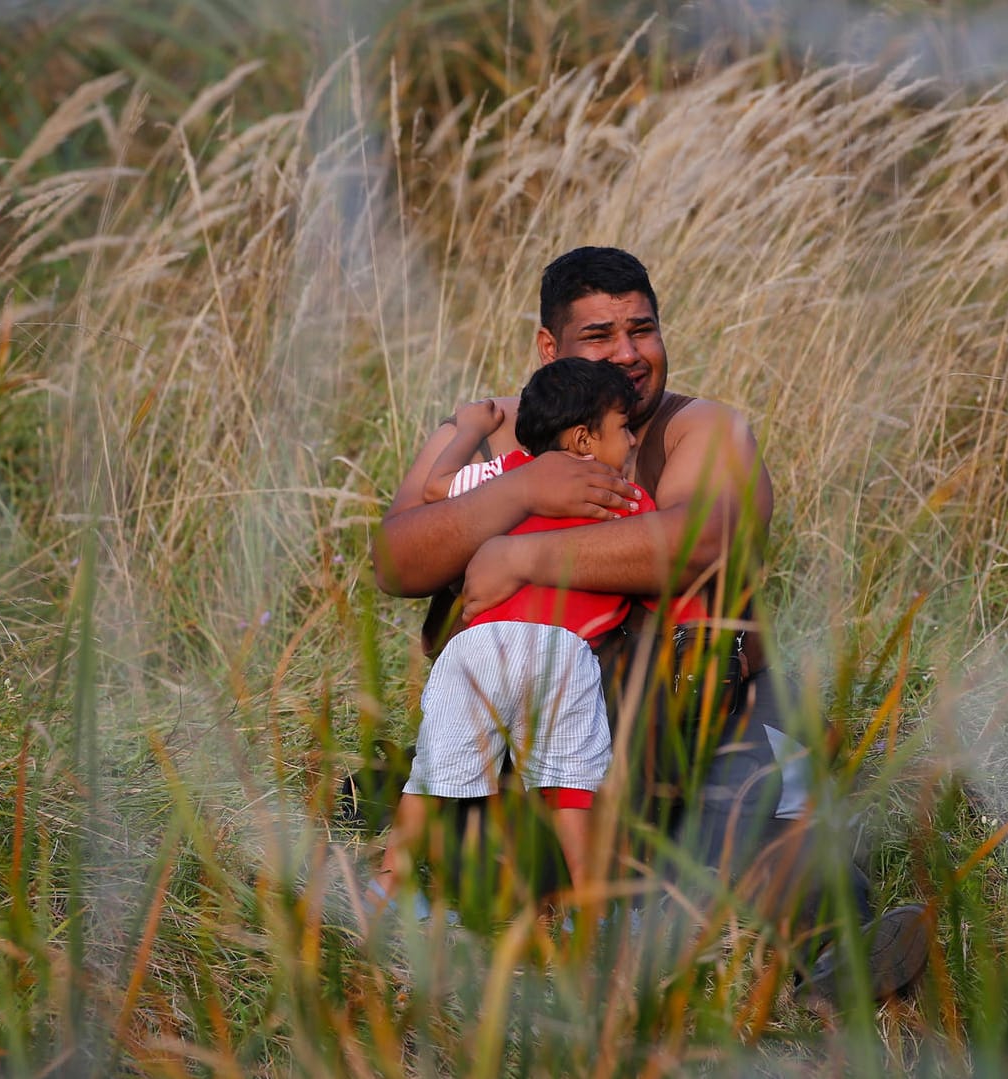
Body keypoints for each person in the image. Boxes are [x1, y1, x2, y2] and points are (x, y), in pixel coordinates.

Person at [371, 246, 927, 1002]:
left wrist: (523, 559)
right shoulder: (491, 430)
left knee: (758, 820)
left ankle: (842, 963)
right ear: (548, 349)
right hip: (527, 740)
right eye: (600, 335)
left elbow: (703, 539)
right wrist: (522, 490)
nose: (628, 353)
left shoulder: (703, 430)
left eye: (643, 329)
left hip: (695, 723)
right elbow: (397, 558)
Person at [372, 357, 689, 915]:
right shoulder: (619, 495)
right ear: (585, 439)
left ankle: (387, 884)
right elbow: (660, 556)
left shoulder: (510, 474)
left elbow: (437, 487)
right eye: (623, 426)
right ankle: (591, 904)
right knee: (571, 788)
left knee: (434, 771)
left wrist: (470, 426)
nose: (635, 438)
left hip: (480, 647)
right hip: (564, 655)